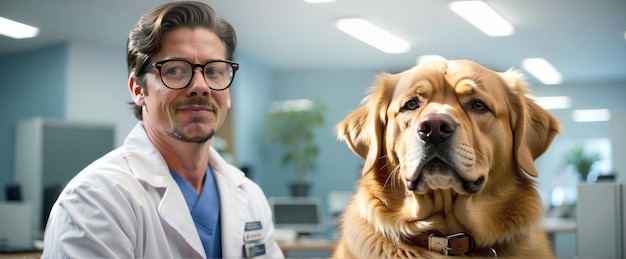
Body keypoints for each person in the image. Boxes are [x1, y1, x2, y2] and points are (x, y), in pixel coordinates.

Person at [42, 2, 284, 258]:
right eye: (176, 70)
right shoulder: (95, 200)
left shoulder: (250, 196)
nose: (200, 86)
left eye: (214, 71)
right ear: (138, 90)